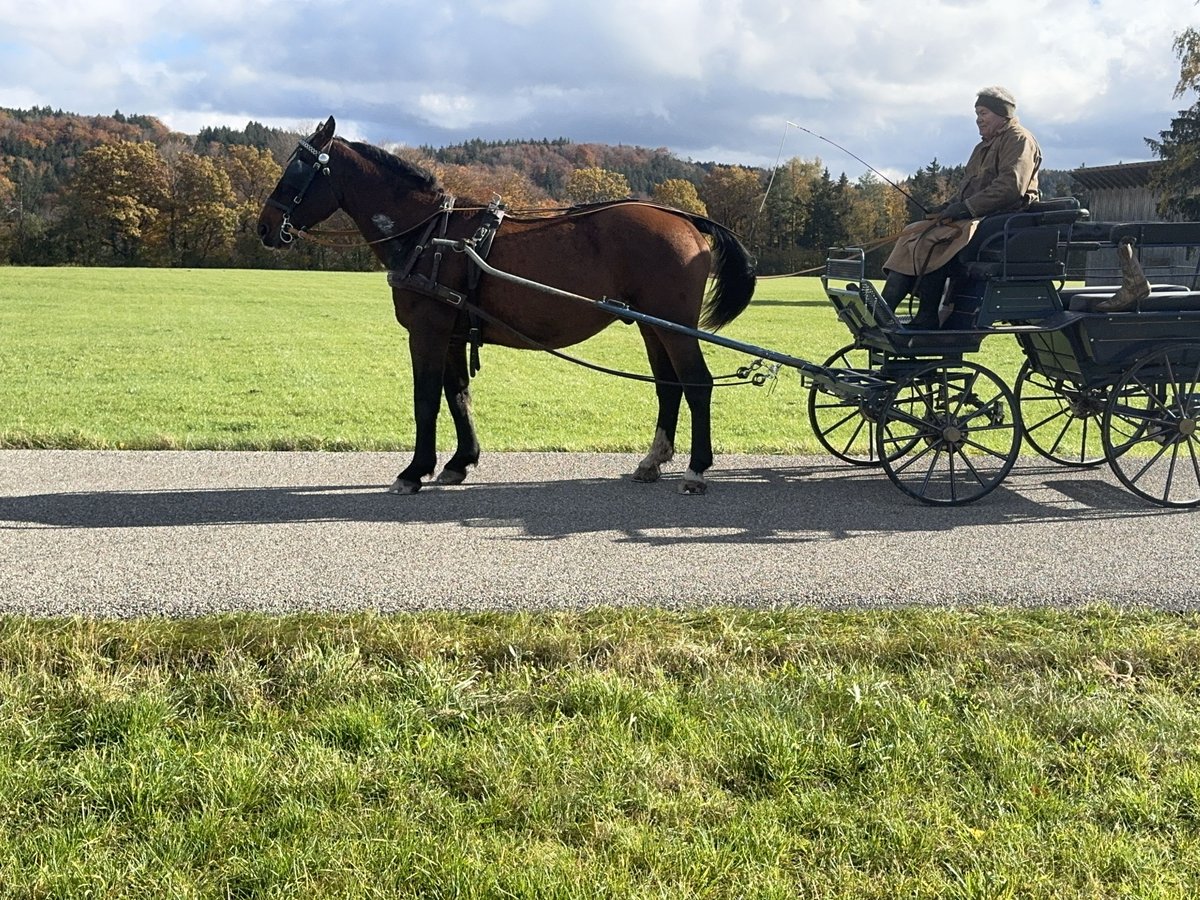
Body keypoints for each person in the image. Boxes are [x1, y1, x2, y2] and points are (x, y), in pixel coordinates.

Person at [882, 86, 1042, 328]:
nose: (978, 119)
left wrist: (965, 208)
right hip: (976, 216)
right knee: (913, 231)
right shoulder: (982, 147)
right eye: (977, 113)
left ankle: (923, 316)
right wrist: (946, 207)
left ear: (1003, 114)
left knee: (935, 241)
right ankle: (884, 309)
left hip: (1004, 219)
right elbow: (967, 190)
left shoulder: (1019, 139)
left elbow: (1010, 188)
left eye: (983, 113)